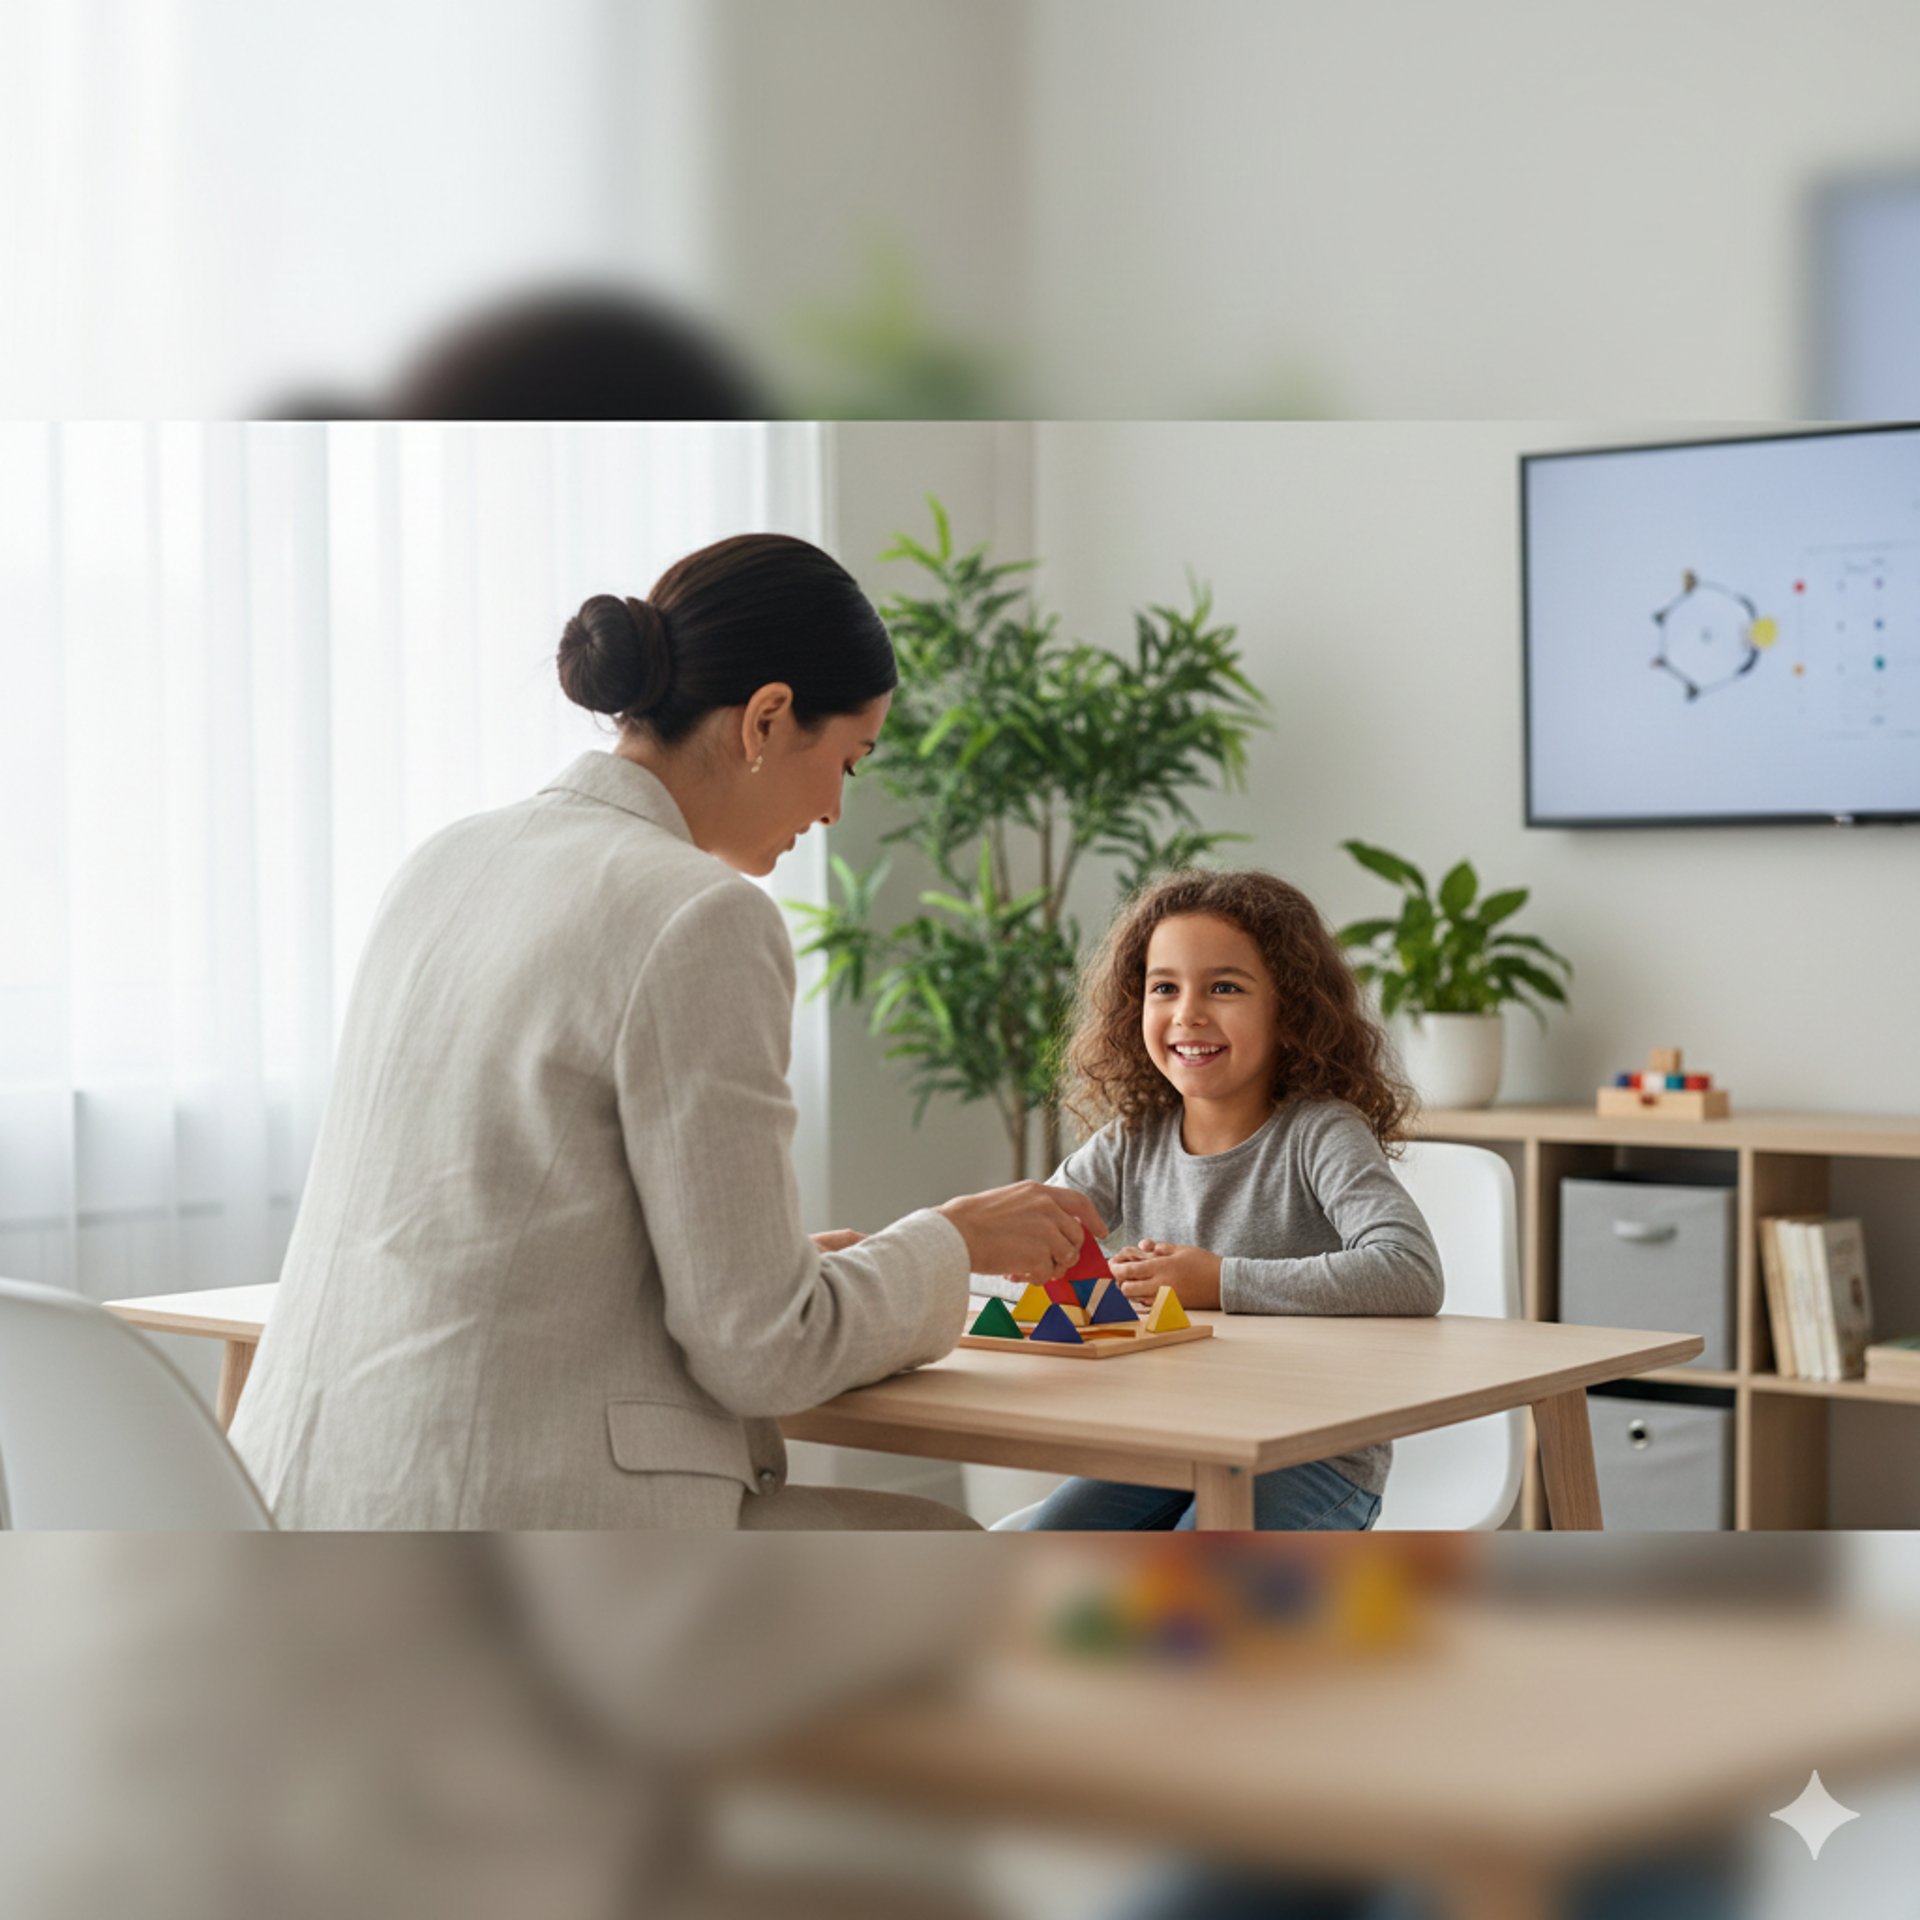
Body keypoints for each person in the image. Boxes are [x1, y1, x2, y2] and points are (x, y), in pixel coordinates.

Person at [231, 532, 1103, 1529]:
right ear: (768, 719)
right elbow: (763, 1352)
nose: (832, 810)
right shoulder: (701, 915)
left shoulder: (447, 860)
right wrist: (949, 1242)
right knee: (966, 1559)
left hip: (303, 1509)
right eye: (851, 764)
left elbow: (498, 1226)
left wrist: (782, 1271)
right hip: (515, 1538)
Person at [1007, 868, 1443, 1531]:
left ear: (1290, 1011)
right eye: (1164, 988)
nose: (1188, 1013)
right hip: (1166, 1444)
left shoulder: (1320, 1133)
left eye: (1225, 988)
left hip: (1310, 1454)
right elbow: (1027, 1231)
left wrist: (1218, 1280)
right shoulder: (1134, 1138)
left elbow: (1410, 1271)